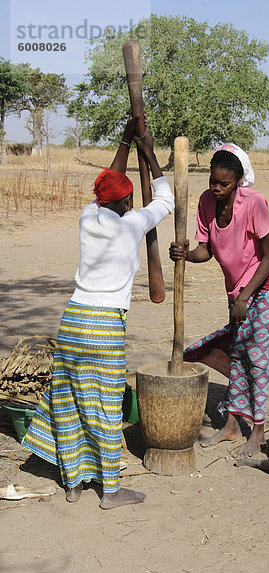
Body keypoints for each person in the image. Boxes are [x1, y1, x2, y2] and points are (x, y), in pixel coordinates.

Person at [22, 115, 174, 509]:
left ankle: (72, 483)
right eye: (128, 199)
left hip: (73, 320)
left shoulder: (89, 216)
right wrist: (149, 153)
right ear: (125, 202)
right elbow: (166, 200)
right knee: (105, 405)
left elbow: (110, 180)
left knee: (69, 399)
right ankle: (110, 490)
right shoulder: (133, 224)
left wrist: (126, 139)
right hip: (104, 327)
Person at [169, 143, 269, 458]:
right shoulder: (206, 202)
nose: (216, 187)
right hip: (239, 286)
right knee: (238, 351)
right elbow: (206, 250)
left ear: (238, 181)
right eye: (213, 180)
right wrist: (186, 254)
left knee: (256, 354)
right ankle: (233, 425)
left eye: (223, 183)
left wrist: (246, 297)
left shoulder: (254, 203)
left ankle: (259, 431)